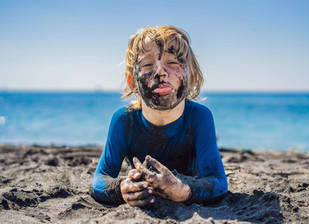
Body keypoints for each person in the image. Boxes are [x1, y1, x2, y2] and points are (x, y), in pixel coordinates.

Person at [90, 25, 228, 207]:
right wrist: (122, 188)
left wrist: (182, 190)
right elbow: (99, 180)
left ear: (192, 78)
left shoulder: (199, 118)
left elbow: (218, 182)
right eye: (147, 64)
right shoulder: (124, 121)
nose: (161, 72)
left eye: (173, 63)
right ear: (133, 82)